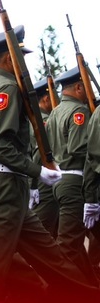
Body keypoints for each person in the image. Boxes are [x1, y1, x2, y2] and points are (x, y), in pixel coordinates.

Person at [0, 26, 98, 303]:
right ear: (9, 60)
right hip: (3, 186)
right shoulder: (7, 89)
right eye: (20, 57)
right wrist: (38, 171)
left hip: (0, 185)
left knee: (53, 257)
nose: (24, 63)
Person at [47, 67, 97, 284]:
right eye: (86, 87)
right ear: (78, 87)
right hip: (76, 180)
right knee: (68, 244)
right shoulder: (79, 112)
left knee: (74, 242)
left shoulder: (56, 112)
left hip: (61, 180)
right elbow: (79, 148)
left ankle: (90, 285)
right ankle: (56, 295)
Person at [29, 78, 59, 237]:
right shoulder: (44, 122)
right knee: (42, 237)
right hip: (44, 185)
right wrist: (32, 184)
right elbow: (37, 155)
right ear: (46, 98)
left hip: (43, 182)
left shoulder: (34, 119)